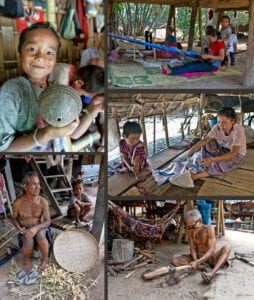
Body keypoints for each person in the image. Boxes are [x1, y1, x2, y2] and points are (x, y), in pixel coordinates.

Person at [0, 22, 80, 152]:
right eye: (32, 49)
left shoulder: (57, 89)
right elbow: (3, 149)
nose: (41, 57)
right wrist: (45, 134)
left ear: (55, 60)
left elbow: (66, 136)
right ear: (19, 54)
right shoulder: (12, 91)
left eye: (49, 52)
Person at [171, 209, 231, 283]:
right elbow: (192, 248)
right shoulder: (190, 231)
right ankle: (201, 267)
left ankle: (211, 273)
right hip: (197, 257)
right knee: (175, 260)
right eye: (189, 227)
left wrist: (198, 261)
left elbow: (212, 250)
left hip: (210, 258)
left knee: (227, 248)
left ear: (200, 221)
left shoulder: (209, 229)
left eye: (193, 226)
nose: (191, 229)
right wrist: (196, 260)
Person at [188, 107, 246, 180]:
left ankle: (200, 174)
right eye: (219, 122)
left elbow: (233, 153)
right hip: (223, 149)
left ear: (233, 121)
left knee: (223, 165)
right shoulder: (217, 127)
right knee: (206, 141)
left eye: (224, 122)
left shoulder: (238, 130)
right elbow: (206, 140)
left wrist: (212, 159)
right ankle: (205, 163)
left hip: (237, 155)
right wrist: (194, 148)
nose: (221, 125)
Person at [11, 172, 50, 272]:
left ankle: (45, 259)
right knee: (28, 239)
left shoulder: (43, 202)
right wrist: (19, 228)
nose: (38, 187)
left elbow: (47, 221)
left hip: (39, 227)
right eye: (34, 184)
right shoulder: (18, 203)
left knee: (41, 234)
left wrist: (36, 228)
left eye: (38, 184)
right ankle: (26, 259)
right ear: (25, 186)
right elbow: (14, 218)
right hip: (25, 229)